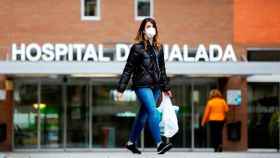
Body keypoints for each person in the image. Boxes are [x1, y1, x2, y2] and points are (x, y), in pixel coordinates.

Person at [117, 18, 173, 154]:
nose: (151, 28)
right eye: (148, 26)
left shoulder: (159, 48)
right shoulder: (137, 48)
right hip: (142, 86)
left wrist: (166, 88)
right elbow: (128, 69)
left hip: (156, 87)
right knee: (153, 111)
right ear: (143, 30)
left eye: (153, 26)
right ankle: (159, 144)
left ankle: (131, 142)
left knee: (143, 115)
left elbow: (162, 70)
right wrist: (121, 89)